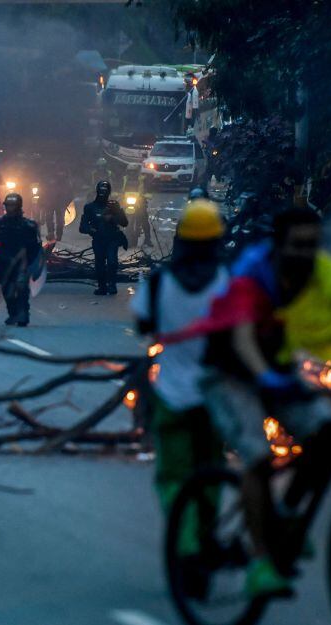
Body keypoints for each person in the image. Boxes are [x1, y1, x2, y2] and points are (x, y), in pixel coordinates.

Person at [160, 207, 331, 600]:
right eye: (298, 245)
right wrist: (263, 375)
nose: (306, 253)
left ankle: (287, 517)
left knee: (329, 436)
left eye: (313, 244)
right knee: (259, 459)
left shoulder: (325, 273)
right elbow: (242, 336)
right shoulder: (252, 273)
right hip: (228, 374)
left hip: (278, 370)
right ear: (277, 245)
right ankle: (261, 564)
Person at [130, 199, 229, 598]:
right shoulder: (229, 283)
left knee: (174, 478)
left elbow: (143, 327)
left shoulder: (158, 284)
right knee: (211, 478)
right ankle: (203, 540)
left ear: (181, 240)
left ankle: (186, 544)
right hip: (216, 400)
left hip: (171, 397)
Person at [0, 193, 43, 327]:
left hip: (22, 261)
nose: (10, 208)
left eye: (13, 206)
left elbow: (36, 248)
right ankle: (13, 313)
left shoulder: (29, 226)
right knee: (7, 289)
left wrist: (33, 266)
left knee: (22, 287)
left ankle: (23, 314)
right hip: (4, 261)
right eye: (8, 205)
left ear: (18, 206)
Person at [80, 181, 129, 295]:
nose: (103, 194)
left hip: (112, 239)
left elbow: (124, 223)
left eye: (105, 191)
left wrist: (114, 216)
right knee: (100, 263)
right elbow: (82, 226)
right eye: (101, 191)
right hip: (98, 239)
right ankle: (102, 286)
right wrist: (91, 230)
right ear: (97, 191)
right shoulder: (90, 207)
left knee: (112, 261)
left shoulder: (114, 206)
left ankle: (112, 285)